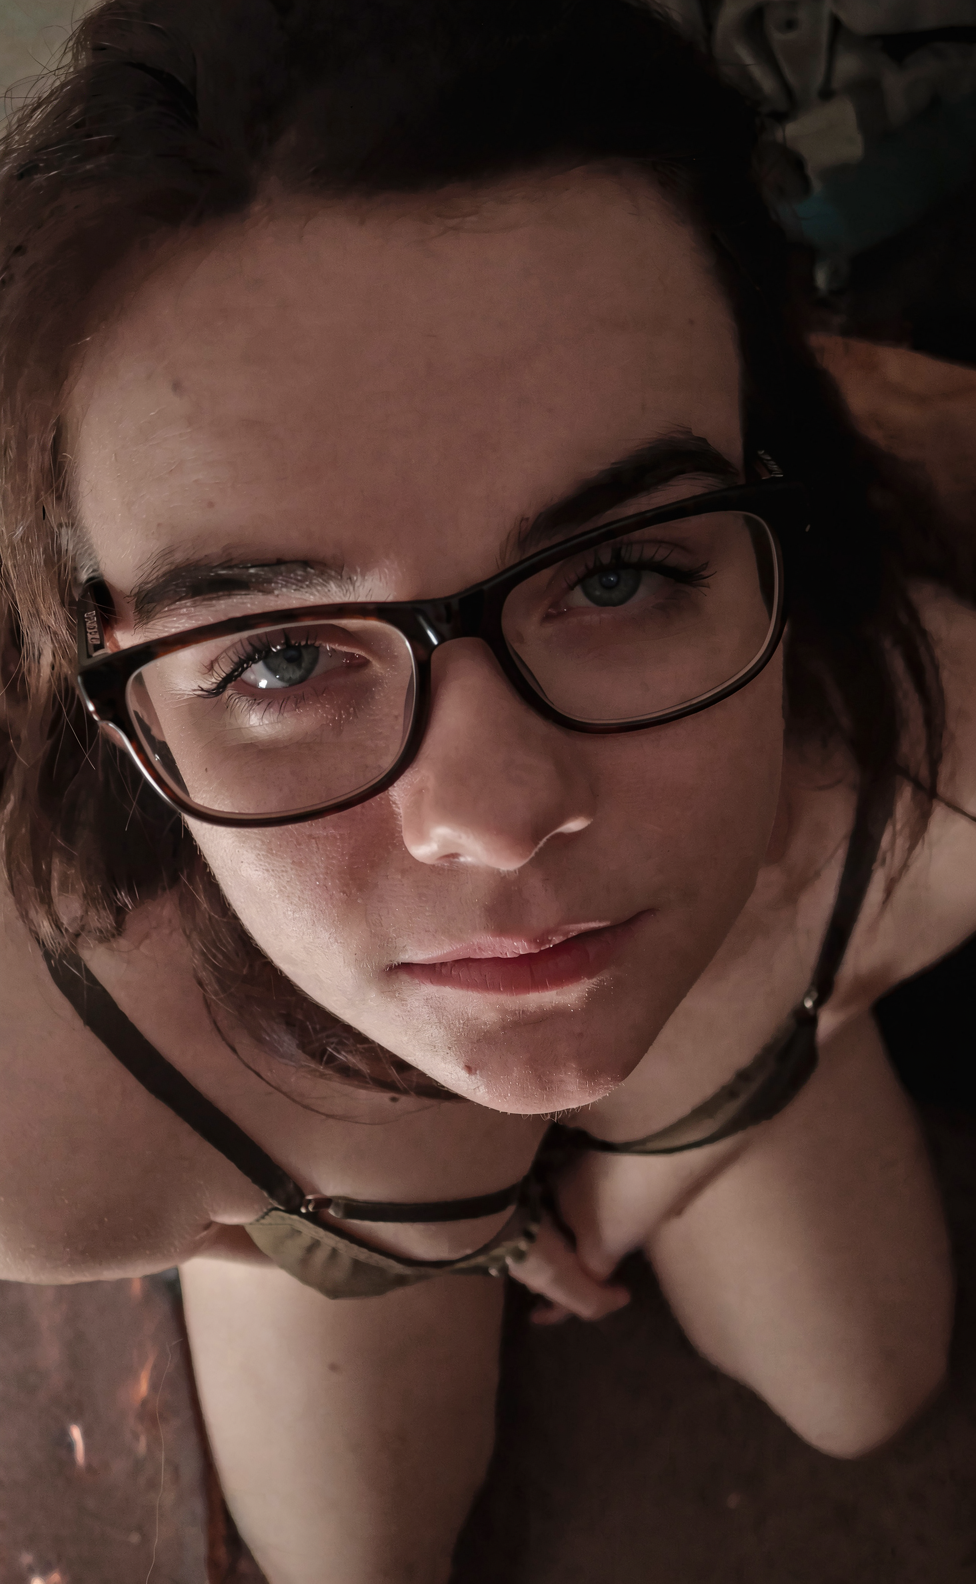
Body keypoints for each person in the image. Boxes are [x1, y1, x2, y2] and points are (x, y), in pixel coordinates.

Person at [0, 2, 973, 1580]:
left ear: (773, 500)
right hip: (315, 1172)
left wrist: (662, 1147)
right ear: (111, 682)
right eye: (278, 656)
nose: (500, 818)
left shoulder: (943, 756)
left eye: (621, 572)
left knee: (866, 1389)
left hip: (743, 993)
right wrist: (351, 1231)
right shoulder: (40, 1108)